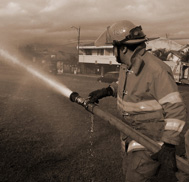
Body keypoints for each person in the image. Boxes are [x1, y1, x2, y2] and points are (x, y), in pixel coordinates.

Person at [88, 20, 187, 182]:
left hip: (149, 141)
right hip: (130, 135)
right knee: (128, 173)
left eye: (113, 47)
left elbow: (176, 108)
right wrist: (108, 90)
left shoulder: (156, 70)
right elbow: (129, 86)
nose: (113, 52)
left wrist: (168, 144)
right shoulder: (128, 66)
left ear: (123, 48)